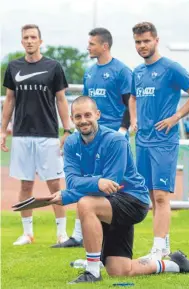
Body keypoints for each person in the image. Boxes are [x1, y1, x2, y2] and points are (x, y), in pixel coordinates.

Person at [48, 96, 189, 283]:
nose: (83, 120)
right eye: (78, 116)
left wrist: (69, 195)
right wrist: (93, 184)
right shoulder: (71, 143)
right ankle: (174, 264)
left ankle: (92, 272)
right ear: (72, 119)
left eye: (88, 115)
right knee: (119, 270)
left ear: (97, 115)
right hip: (107, 203)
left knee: (85, 204)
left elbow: (110, 185)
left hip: (132, 201)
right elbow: (73, 181)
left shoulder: (115, 140)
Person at [129, 22, 189, 260]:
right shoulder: (138, 72)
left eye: (146, 41)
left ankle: (158, 248)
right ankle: (163, 244)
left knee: (162, 196)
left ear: (156, 40)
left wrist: (176, 117)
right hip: (142, 142)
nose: (142, 46)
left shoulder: (171, 68)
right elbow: (132, 97)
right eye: (138, 42)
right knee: (152, 196)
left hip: (163, 142)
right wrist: (134, 119)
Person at [53, 27, 132, 248]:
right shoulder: (89, 72)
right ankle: (79, 235)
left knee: (111, 189)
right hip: (88, 139)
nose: (87, 47)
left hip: (112, 138)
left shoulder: (121, 71)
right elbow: (83, 101)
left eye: (92, 43)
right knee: (86, 182)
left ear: (104, 45)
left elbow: (130, 103)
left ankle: (108, 240)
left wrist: (123, 130)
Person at [1, 24, 71, 246]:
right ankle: (27, 233)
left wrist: (67, 129)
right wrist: (3, 130)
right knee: (25, 186)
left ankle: (62, 233)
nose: (29, 41)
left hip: (48, 135)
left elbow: (61, 100)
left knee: (54, 185)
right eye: (26, 37)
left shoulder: (53, 67)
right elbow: (9, 100)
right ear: (22, 42)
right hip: (21, 134)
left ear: (41, 41)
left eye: (33, 37)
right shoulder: (13, 67)